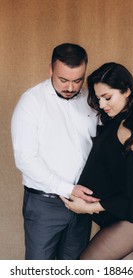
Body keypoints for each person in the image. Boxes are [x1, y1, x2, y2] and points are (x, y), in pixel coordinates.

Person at [60, 62, 133, 260]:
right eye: (98, 98)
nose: (101, 105)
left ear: (126, 91)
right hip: (114, 218)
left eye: (107, 97)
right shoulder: (114, 120)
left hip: (130, 222)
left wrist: (89, 207)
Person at [11, 43, 99, 260]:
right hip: (44, 205)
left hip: (82, 205)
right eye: (63, 80)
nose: (70, 87)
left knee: (74, 268)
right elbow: (25, 159)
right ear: (51, 69)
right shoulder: (31, 102)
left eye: (77, 80)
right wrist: (68, 188)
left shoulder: (91, 101)